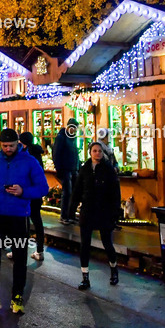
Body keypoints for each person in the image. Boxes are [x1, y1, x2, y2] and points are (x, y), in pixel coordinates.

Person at [0, 128, 49, 314]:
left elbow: (43, 187)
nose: (8, 149)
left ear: (18, 143)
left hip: (19, 216)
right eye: (4, 146)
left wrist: (23, 192)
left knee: (19, 258)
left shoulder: (30, 161)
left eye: (11, 145)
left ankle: (17, 296)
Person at [70, 142, 121, 290]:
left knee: (107, 243)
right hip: (88, 211)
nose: (97, 153)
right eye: (94, 151)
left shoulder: (108, 169)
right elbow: (77, 190)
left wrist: (115, 212)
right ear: (90, 153)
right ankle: (85, 277)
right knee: (85, 245)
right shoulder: (85, 169)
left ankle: (114, 269)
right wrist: (72, 210)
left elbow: (115, 193)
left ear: (103, 153)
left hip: (104, 211)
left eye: (99, 151)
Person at [17, 131, 47, 261]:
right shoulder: (37, 153)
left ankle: (19, 251)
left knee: (22, 223)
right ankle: (39, 251)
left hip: (25, 193)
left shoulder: (25, 155)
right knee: (37, 221)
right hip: (36, 193)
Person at [53, 118, 80, 224]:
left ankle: (71, 215)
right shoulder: (61, 138)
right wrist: (58, 168)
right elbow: (56, 154)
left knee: (75, 192)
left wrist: (78, 165)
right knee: (67, 192)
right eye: (74, 128)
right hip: (65, 169)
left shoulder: (72, 138)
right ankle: (64, 216)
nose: (75, 130)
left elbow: (74, 153)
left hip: (73, 168)